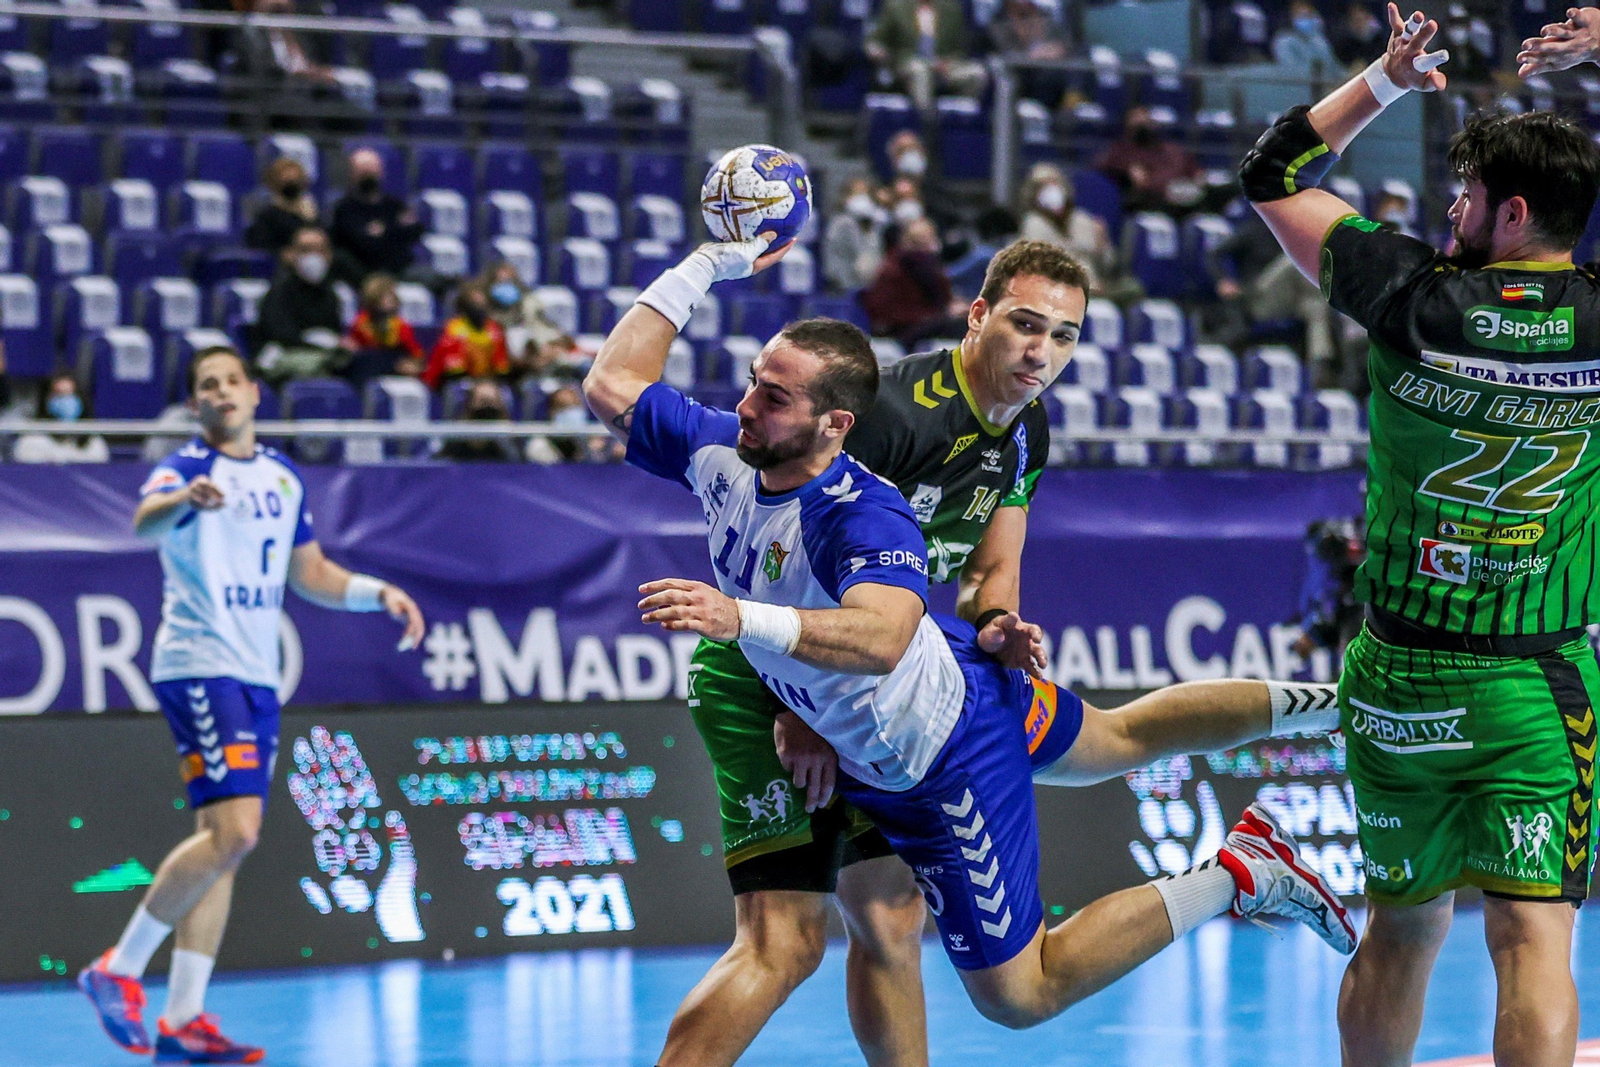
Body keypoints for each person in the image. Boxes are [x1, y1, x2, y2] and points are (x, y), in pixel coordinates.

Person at [582, 234, 1354, 1062]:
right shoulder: (874, 420)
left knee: (1098, 770)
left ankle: (1332, 727)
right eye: (1026, 323)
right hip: (827, 686)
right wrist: (792, 712)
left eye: (1064, 336)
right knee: (881, 924)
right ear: (977, 314)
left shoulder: (1021, 432)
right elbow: (803, 580)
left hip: (923, 694)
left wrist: (997, 624)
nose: (1042, 349)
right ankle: (1253, 852)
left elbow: (980, 579)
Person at [1244, 6, 1600, 1064]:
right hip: (1536, 683)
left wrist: (1388, 79)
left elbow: (1273, 174)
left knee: (1398, 930)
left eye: (1467, 195)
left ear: (1510, 210)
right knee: (1533, 935)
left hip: (1399, 676)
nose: (1452, 207)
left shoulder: (1407, 295)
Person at [78, 345, 424, 1064]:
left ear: (254, 393)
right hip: (200, 665)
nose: (221, 393)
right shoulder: (185, 469)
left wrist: (374, 592)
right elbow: (143, 521)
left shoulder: (281, 476)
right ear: (197, 403)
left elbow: (312, 572)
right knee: (236, 833)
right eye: (206, 385)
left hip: (257, 675)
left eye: (230, 381)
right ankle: (117, 967)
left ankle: (182, 1018)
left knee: (221, 850)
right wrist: (184, 502)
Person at [1017, 163, 1142, 304]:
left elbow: (1109, 264)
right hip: (1060, 290)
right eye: (1042, 186)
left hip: (1097, 287)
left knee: (1132, 287)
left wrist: (1103, 242)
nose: (1051, 191)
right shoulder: (1033, 222)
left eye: (1054, 183)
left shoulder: (1082, 219)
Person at [252, 226, 345, 383]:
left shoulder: (332, 294)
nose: (314, 257)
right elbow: (279, 334)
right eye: (306, 250)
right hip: (284, 361)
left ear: (329, 255)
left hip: (321, 357)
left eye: (320, 250)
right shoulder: (278, 292)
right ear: (289, 254)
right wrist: (312, 340)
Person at [865, 0, 988, 111]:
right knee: (920, 71)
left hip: (944, 65)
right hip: (908, 64)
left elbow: (960, 48)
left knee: (977, 73)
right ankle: (925, 120)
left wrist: (948, 61)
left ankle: (957, 121)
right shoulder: (896, 7)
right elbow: (876, 39)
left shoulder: (952, 8)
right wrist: (875, 49)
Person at [328, 149, 425, 283]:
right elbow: (362, 243)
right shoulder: (345, 208)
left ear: (381, 172)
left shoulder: (394, 204)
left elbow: (415, 231)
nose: (368, 176)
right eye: (363, 171)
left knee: (433, 278)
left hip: (399, 270)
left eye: (371, 170)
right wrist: (395, 229)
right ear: (352, 174)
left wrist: (382, 231)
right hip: (362, 273)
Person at [859, 218, 959, 345]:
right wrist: (942, 314)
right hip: (902, 332)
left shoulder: (919, 265)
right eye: (921, 242)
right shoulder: (898, 269)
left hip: (920, 323)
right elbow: (889, 314)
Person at [1094, 106, 1203, 212]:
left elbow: (1195, 171)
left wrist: (1198, 176)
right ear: (1128, 126)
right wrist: (1127, 171)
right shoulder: (1120, 150)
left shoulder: (1172, 149)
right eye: (1137, 121)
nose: (1142, 123)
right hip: (1145, 200)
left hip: (1179, 199)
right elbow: (1101, 166)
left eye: (1146, 120)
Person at [342, 273, 425, 387]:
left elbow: (416, 353)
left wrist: (413, 364)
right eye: (385, 296)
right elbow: (353, 348)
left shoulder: (400, 326)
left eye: (391, 295)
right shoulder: (360, 324)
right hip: (367, 371)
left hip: (394, 371)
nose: (390, 300)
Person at [423, 282, 511, 389]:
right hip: (455, 382)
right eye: (475, 303)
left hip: (487, 381)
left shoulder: (494, 329)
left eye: (482, 302)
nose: (479, 307)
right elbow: (454, 370)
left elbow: (501, 367)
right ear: (465, 306)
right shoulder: (454, 329)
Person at [12, 371, 110, 463]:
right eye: (59, 394)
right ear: (46, 400)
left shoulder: (93, 443)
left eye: (70, 394)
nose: (66, 400)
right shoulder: (33, 441)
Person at [242, 156, 320, 258]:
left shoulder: (310, 211)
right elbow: (261, 246)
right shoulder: (267, 215)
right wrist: (283, 254)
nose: (291, 181)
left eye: (295, 179)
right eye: (287, 180)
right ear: (274, 183)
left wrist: (310, 219)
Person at [823, 176, 888, 293]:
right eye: (856, 194)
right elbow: (835, 256)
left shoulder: (877, 222)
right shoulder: (840, 222)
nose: (861, 199)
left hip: (872, 285)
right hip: (844, 284)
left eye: (864, 194)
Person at [438, 378, 519, 462]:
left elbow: (517, 463)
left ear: (500, 405)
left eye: (492, 401)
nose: (487, 407)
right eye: (483, 401)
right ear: (470, 404)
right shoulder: (456, 438)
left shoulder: (509, 438)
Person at [1273, 0, 1342, 72]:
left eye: (1309, 15)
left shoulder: (1319, 40)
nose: (1307, 19)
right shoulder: (1283, 42)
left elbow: (1334, 67)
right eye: (1302, 16)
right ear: (1291, 17)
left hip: (1328, 81)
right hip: (1298, 82)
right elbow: (1291, 71)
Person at [1331, 0, 1386, 67]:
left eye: (1360, 19)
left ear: (1368, 16)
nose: (1359, 25)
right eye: (1355, 21)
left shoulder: (1381, 39)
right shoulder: (1344, 46)